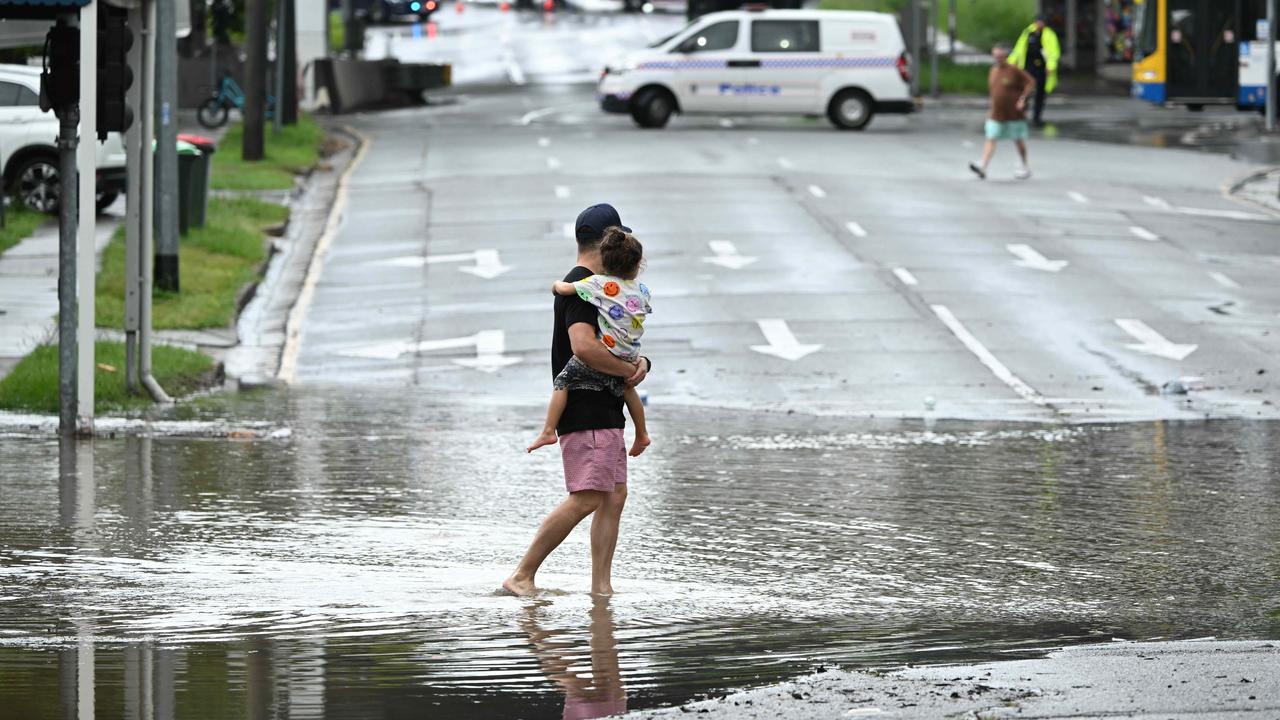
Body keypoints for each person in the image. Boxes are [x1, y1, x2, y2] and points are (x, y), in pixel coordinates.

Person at [503, 203, 652, 598]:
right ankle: (522, 574)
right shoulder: (584, 286)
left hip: (605, 402)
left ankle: (601, 588)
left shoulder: (601, 285)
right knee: (587, 496)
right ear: (607, 242)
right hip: (585, 404)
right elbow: (584, 347)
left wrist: (639, 364)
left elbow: (617, 344)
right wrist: (626, 371)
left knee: (613, 495)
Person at [528, 226, 652, 458]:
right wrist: (633, 366)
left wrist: (555, 285)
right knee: (629, 388)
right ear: (637, 265)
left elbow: (564, 290)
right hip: (630, 351)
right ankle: (642, 432)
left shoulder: (595, 284)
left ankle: (547, 431)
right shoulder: (642, 289)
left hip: (607, 353)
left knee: (563, 380)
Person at [969, 43, 1036, 181]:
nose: (998, 59)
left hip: (1014, 113)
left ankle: (1024, 165)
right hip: (997, 113)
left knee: (1018, 140)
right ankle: (983, 166)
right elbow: (994, 92)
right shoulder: (993, 71)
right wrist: (991, 107)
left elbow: (1030, 82)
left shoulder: (1013, 70)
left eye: (1000, 56)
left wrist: (1023, 99)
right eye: (995, 56)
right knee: (991, 137)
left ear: (1005, 56)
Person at [1009, 14, 1061, 126]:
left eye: (1042, 22)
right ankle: (1021, 112)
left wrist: (1050, 66)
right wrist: (1010, 63)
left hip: (1041, 68)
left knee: (1040, 93)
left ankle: (1037, 116)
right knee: (1025, 90)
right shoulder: (1028, 33)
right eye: (1038, 22)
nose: (1039, 24)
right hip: (1028, 66)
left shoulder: (1049, 35)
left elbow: (1053, 53)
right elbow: (1018, 49)